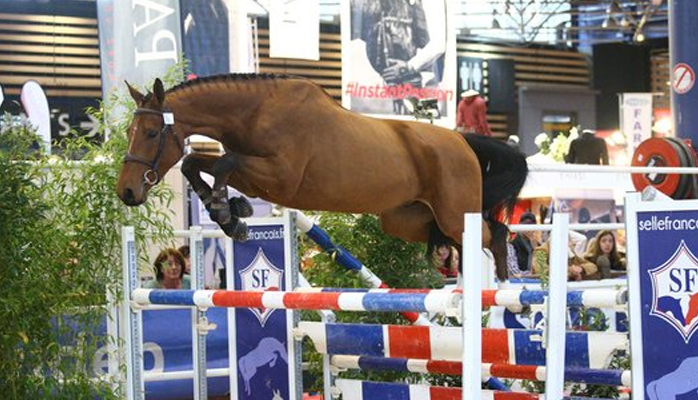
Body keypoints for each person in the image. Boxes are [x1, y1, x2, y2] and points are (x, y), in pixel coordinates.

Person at [351, 0, 446, 115]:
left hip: (427, 80)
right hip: (397, 82)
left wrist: (408, 67)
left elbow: (439, 44)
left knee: (426, 117)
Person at [532, 234, 599, 281]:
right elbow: (541, 270)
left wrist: (581, 269)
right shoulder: (540, 251)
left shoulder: (569, 252)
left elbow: (592, 266)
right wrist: (570, 271)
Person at [506, 212, 541, 278]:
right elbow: (515, 272)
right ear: (519, 225)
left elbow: (543, 268)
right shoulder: (511, 245)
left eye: (531, 225)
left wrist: (535, 247)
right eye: (525, 224)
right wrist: (533, 275)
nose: (527, 228)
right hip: (517, 284)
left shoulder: (539, 245)